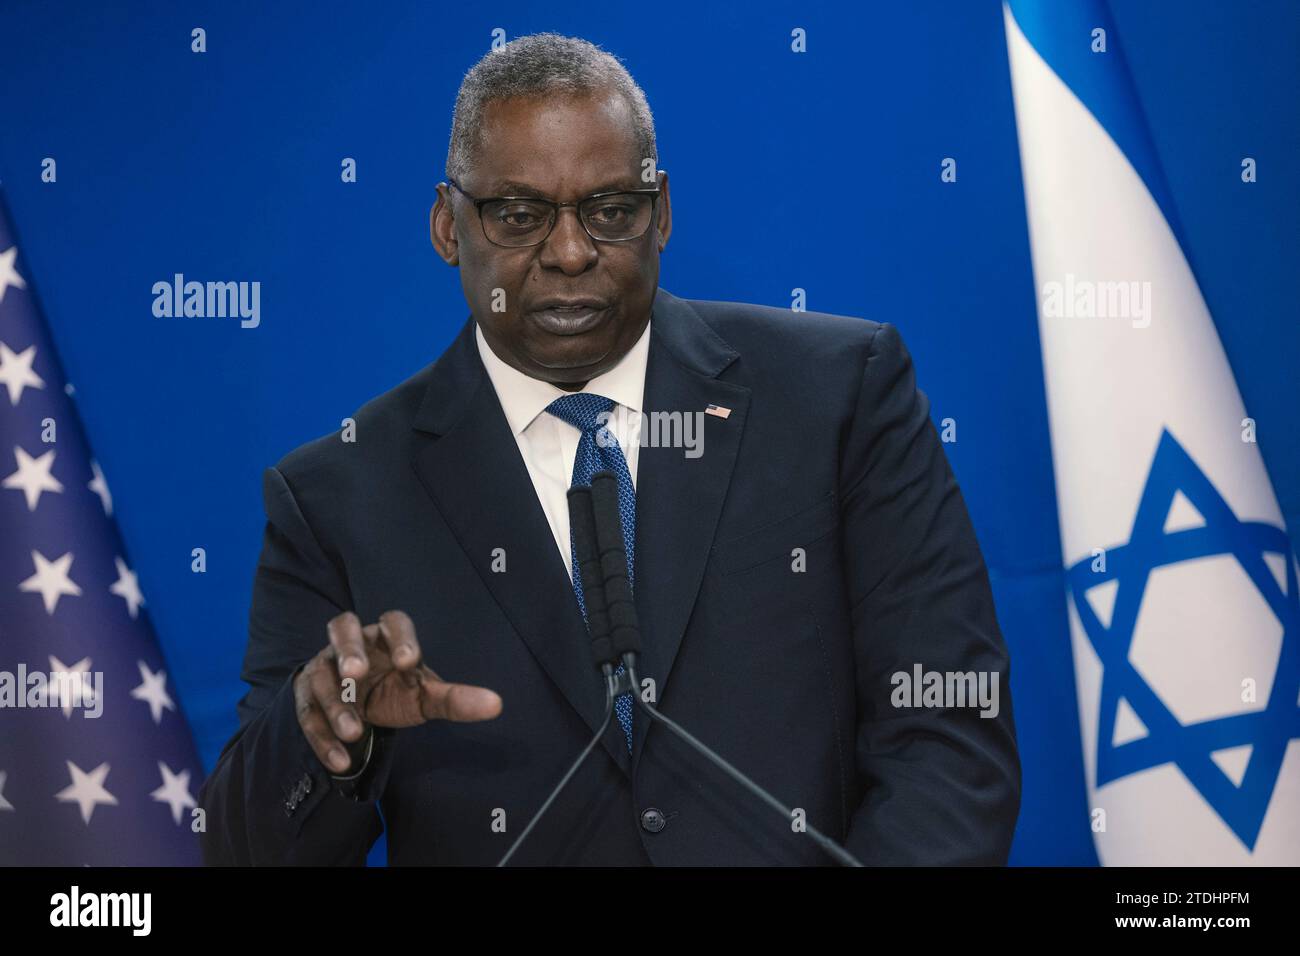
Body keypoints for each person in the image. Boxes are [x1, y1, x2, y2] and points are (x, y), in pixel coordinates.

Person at [198, 32, 1021, 866]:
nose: (568, 252)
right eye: (518, 215)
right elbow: (244, 850)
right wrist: (327, 736)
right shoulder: (339, 494)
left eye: (610, 211)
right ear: (449, 226)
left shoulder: (837, 396)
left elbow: (949, 735)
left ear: (660, 213)